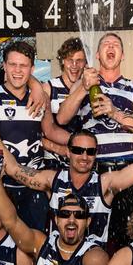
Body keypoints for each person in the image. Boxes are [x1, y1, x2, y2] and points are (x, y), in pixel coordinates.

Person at [0, 110, 133, 245]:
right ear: (68, 152)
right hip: (57, 261)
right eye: (78, 150)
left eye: (90, 152)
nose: (84, 156)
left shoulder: (105, 183)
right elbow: (14, 169)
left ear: (95, 155)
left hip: (94, 263)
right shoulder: (53, 179)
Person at [0, 42, 70, 232]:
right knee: (0, 247)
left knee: (35, 243)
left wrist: (78, 142)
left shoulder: (40, 98)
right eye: (13, 65)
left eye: (23, 66)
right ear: (4, 66)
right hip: (0, 185)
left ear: (32, 69)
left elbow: (50, 131)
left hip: (34, 185)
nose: (17, 70)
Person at [56, 32, 133, 252]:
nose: (111, 48)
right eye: (105, 45)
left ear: (122, 55)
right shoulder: (84, 84)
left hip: (128, 172)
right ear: (98, 56)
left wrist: (114, 112)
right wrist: (83, 87)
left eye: (116, 45)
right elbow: (62, 118)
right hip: (94, 172)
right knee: (92, 237)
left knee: (128, 238)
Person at [43, 38, 87, 169]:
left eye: (79, 61)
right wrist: (60, 150)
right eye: (69, 60)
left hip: (82, 161)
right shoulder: (49, 88)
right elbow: (39, 133)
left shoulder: (89, 89)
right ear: (62, 60)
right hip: (54, 161)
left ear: (85, 63)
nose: (74, 65)